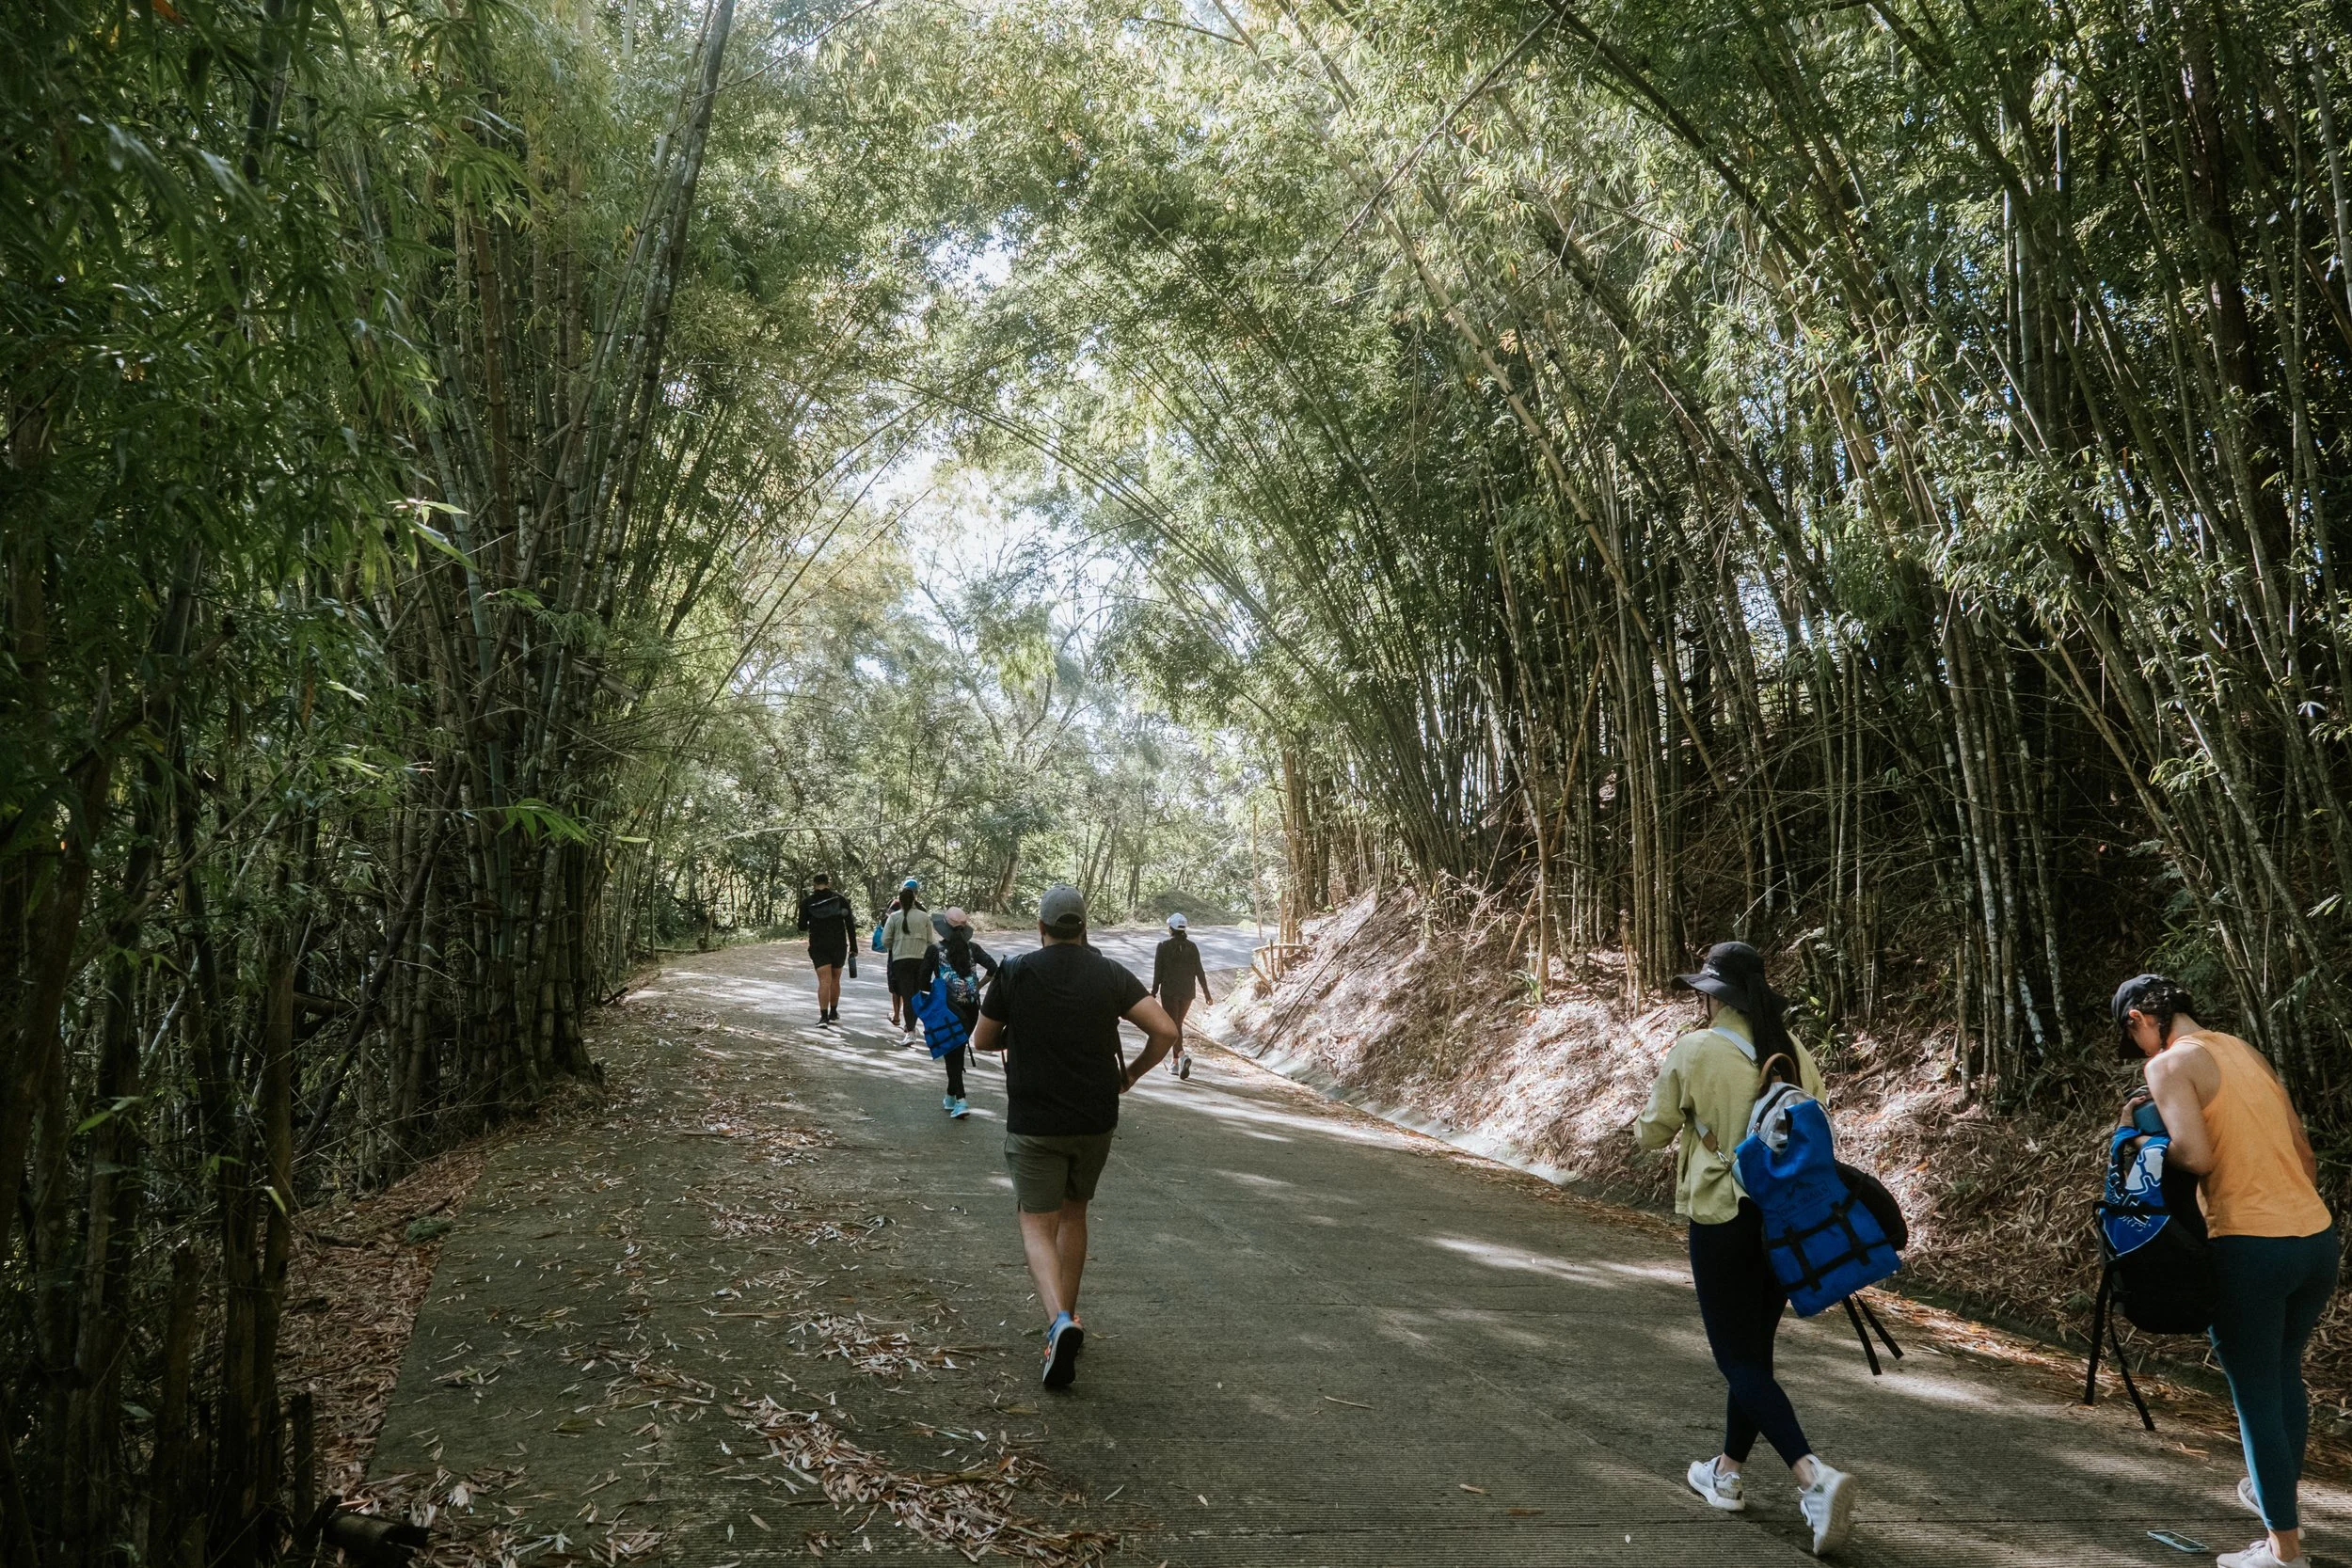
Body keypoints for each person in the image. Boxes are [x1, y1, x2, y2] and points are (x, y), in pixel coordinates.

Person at [1634, 941, 1857, 1558]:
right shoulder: (1793, 1052)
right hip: (1783, 1225)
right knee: (1754, 1354)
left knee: (1737, 1358)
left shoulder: (1696, 1048)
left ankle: (1814, 1477)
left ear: (1713, 995)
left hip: (1724, 1219)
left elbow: (1651, 1129)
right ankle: (1727, 1472)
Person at [2118, 974, 2337, 1568]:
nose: (2139, 1049)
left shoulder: (2167, 1066)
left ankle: (2284, 1553)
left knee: (2255, 1397)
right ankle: (2276, 1497)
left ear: (2141, 1017)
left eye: (2132, 1034)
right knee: (2283, 1375)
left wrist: (2139, 1141)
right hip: (2315, 1240)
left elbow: (2198, 1154)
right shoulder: (2242, 1049)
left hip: (2250, 1245)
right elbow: (2303, 1150)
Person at [969, 883, 1179, 1389]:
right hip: (1094, 1118)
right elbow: (1167, 1032)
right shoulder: (1108, 972)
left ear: (1040, 928)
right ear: (1084, 927)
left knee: (1035, 1222)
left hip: (1036, 1119)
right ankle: (1071, 1316)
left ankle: (1057, 1321)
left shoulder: (1015, 972)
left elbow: (982, 1038)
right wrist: (1129, 1076)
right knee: (1074, 1212)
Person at [932, 908, 999, 1118]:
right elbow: (994, 967)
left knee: (952, 1052)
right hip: (971, 1008)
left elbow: (922, 980)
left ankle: (961, 1100)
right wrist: (978, 987)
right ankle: (951, 1096)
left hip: (946, 1007)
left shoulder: (934, 950)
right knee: (957, 1050)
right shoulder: (974, 949)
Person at [1151, 912, 1213, 1078]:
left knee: (1174, 1026)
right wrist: (1207, 993)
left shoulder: (1163, 946)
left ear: (1170, 928)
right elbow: (1199, 971)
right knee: (1177, 1024)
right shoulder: (1192, 947)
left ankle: (1182, 1056)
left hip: (1170, 992)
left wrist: (1154, 992)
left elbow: (1158, 972)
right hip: (1187, 993)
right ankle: (1175, 1064)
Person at [793, 873, 856, 1025]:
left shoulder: (807, 902)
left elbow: (801, 926)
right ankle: (833, 1012)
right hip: (838, 945)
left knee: (824, 981)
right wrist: (854, 947)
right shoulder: (840, 900)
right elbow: (850, 924)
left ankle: (823, 1017)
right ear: (829, 883)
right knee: (835, 979)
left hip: (818, 945)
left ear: (814, 884)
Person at [880, 879, 935, 1040]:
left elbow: (885, 941)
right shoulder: (924, 916)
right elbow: (930, 941)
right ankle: (912, 1027)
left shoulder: (894, 916)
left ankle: (910, 1031)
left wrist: (897, 946)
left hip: (900, 961)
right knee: (916, 995)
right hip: (920, 960)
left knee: (906, 994)